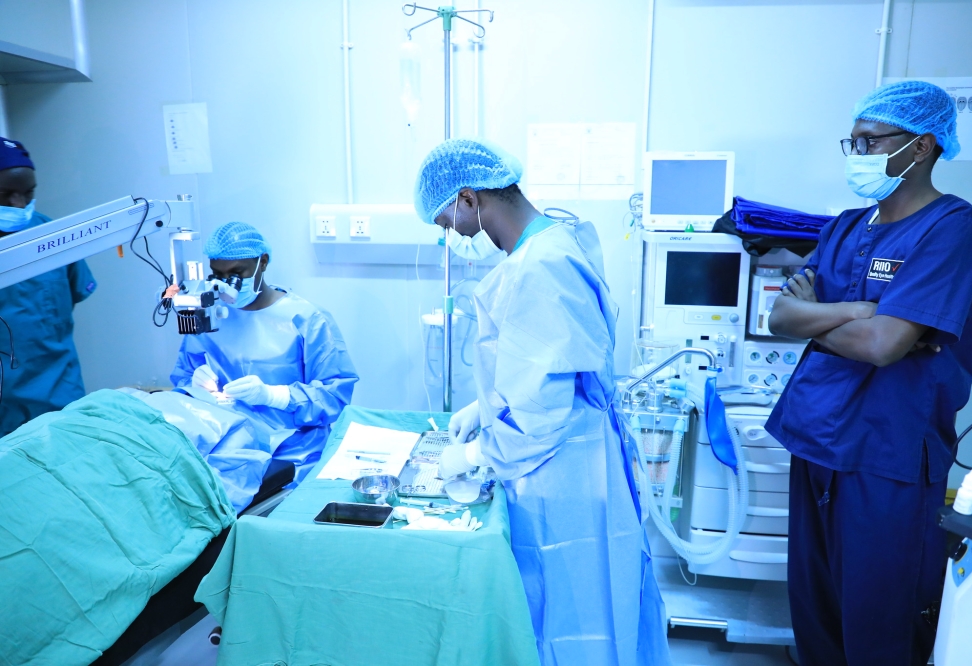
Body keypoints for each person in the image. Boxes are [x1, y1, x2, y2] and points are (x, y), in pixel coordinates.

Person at [415, 138, 669, 666]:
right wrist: (484, 410)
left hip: (564, 470)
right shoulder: (551, 240)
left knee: (575, 618)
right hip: (568, 454)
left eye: (447, 223)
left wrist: (477, 453)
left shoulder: (540, 266)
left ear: (468, 199)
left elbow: (540, 410)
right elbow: (545, 366)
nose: (452, 236)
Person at [766, 81, 972, 665]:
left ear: (920, 147)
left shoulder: (955, 230)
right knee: (816, 614)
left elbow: (884, 344)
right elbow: (780, 316)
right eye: (853, 141)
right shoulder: (844, 226)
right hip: (816, 438)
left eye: (869, 142)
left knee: (879, 623)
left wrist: (828, 320)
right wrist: (852, 311)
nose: (856, 155)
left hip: (887, 454)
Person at [171, 221, 358, 484]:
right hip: (222, 451)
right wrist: (193, 385)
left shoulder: (306, 319)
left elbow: (335, 396)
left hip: (290, 457)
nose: (227, 285)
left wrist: (276, 396)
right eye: (218, 275)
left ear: (264, 262)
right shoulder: (210, 315)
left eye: (237, 273)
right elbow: (182, 379)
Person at [0, 137, 97, 437]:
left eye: (28, 194)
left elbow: (73, 294)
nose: (20, 205)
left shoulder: (52, 237)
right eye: (6, 195)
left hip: (58, 392)